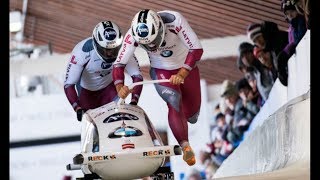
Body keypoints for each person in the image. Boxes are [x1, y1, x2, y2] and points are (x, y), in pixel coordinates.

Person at [112, 9, 204, 166]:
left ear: (161, 29)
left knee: (192, 116)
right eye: (146, 45)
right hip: (161, 71)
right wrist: (119, 86)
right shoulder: (132, 35)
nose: (152, 47)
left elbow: (196, 49)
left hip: (186, 69)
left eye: (153, 42)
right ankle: (185, 146)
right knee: (173, 99)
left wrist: (182, 73)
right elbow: (119, 64)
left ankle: (186, 125)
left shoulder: (175, 21)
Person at [63, 21, 143, 122]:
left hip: (109, 90)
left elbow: (137, 75)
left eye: (114, 49)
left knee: (119, 121)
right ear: (97, 44)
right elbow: (69, 84)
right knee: (95, 125)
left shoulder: (124, 48)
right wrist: (77, 107)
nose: (110, 54)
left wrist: (134, 101)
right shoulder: (82, 52)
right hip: (87, 94)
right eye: (106, 49)